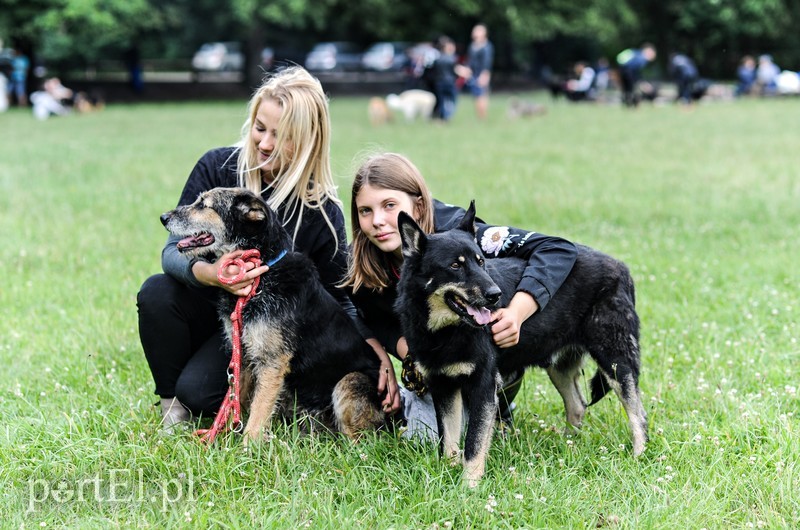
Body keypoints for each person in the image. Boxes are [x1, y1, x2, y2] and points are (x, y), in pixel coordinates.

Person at [137, 66, 358, 432]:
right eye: (260, 128)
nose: (265, 143)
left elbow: (341, 299)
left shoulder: (321, 212)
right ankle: (170, 404)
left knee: (200, 394)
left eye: (282, 135)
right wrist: (208, 274)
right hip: (208, 308)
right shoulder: (217, 167)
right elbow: (171, 253)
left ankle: (206, 392)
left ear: (308, 140)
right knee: (156, 293)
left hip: (262, 332)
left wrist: (372, 347)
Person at [341, 152, 578, 436]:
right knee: (426, 437)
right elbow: (365, 314)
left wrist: (517, 313)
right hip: (434, 359)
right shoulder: (360, 259)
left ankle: (500, 399)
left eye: (389, 205)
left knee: (451, 426)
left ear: (417, 207)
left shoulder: (460, 231)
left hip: (487, 352)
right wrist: (399, 351)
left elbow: (557, 249)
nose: (377, 220)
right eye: (365, 211)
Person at [430, 36, 468, 122]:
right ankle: (447, 116)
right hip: (450, 82)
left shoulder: (438, 58)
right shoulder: (452, 58)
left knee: (442, 101)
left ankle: (443, 117)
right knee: (453, 101)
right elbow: (456, 70)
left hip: (439, 83)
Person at [463, 23, 494, 120]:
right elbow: (470, 60)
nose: (475, 32)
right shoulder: (472, 46)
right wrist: (467, 69)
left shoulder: (487, 46)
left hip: (482, 73)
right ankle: (479, 116)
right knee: (476, 95)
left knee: (482, 95)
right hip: (473, 73)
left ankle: (483, 117)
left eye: (478, 30)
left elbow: (487, 61)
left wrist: (485, 75)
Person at [617, 43, 656, 107]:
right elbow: (636, 69)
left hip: (622, 70)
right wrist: (640, 80)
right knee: (634, 89)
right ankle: (634, 103)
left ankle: (627, 104)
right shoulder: (642, 58)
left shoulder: (634, 52)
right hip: (630, 72)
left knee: (627, 89)